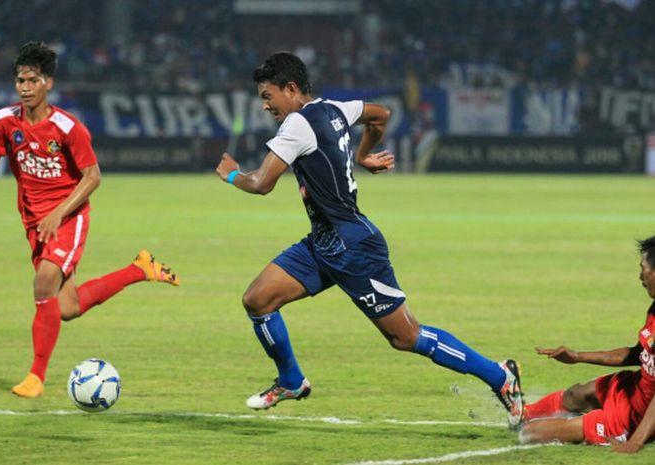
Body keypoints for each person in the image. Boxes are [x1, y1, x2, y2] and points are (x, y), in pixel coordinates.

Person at [215, 52, 524, 426]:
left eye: (268, 96)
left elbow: (262, 183)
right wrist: (364, 155)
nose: (266, 105)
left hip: (354, 246)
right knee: (258, 299)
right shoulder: (335, 109)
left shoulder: (296, 125)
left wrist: (233, 175)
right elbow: (380, 115)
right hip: (323, 241)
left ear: (291, 88)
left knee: (406, 338)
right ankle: (292, 381)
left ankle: (500, 375)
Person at [0, 42, 180, 398]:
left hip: (68, 219)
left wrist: (59, 213)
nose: (25, 87)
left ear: (48, 83)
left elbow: (93, 177)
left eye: (32, 80)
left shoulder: (68, 128)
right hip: (34, 223)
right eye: (20, 81)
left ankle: (35, 377)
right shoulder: (4, 121)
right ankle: (140, 269)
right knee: (68, 308)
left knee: (44, 283)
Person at [520, 236, 655, 453]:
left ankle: (591, 425)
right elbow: (638, 353)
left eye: (643, 269)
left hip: (633, 418)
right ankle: (520, 413)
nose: (640, 276)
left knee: (531, 433)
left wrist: (636, 441)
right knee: (575, 394)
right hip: (632, 390)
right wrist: (578, 356)